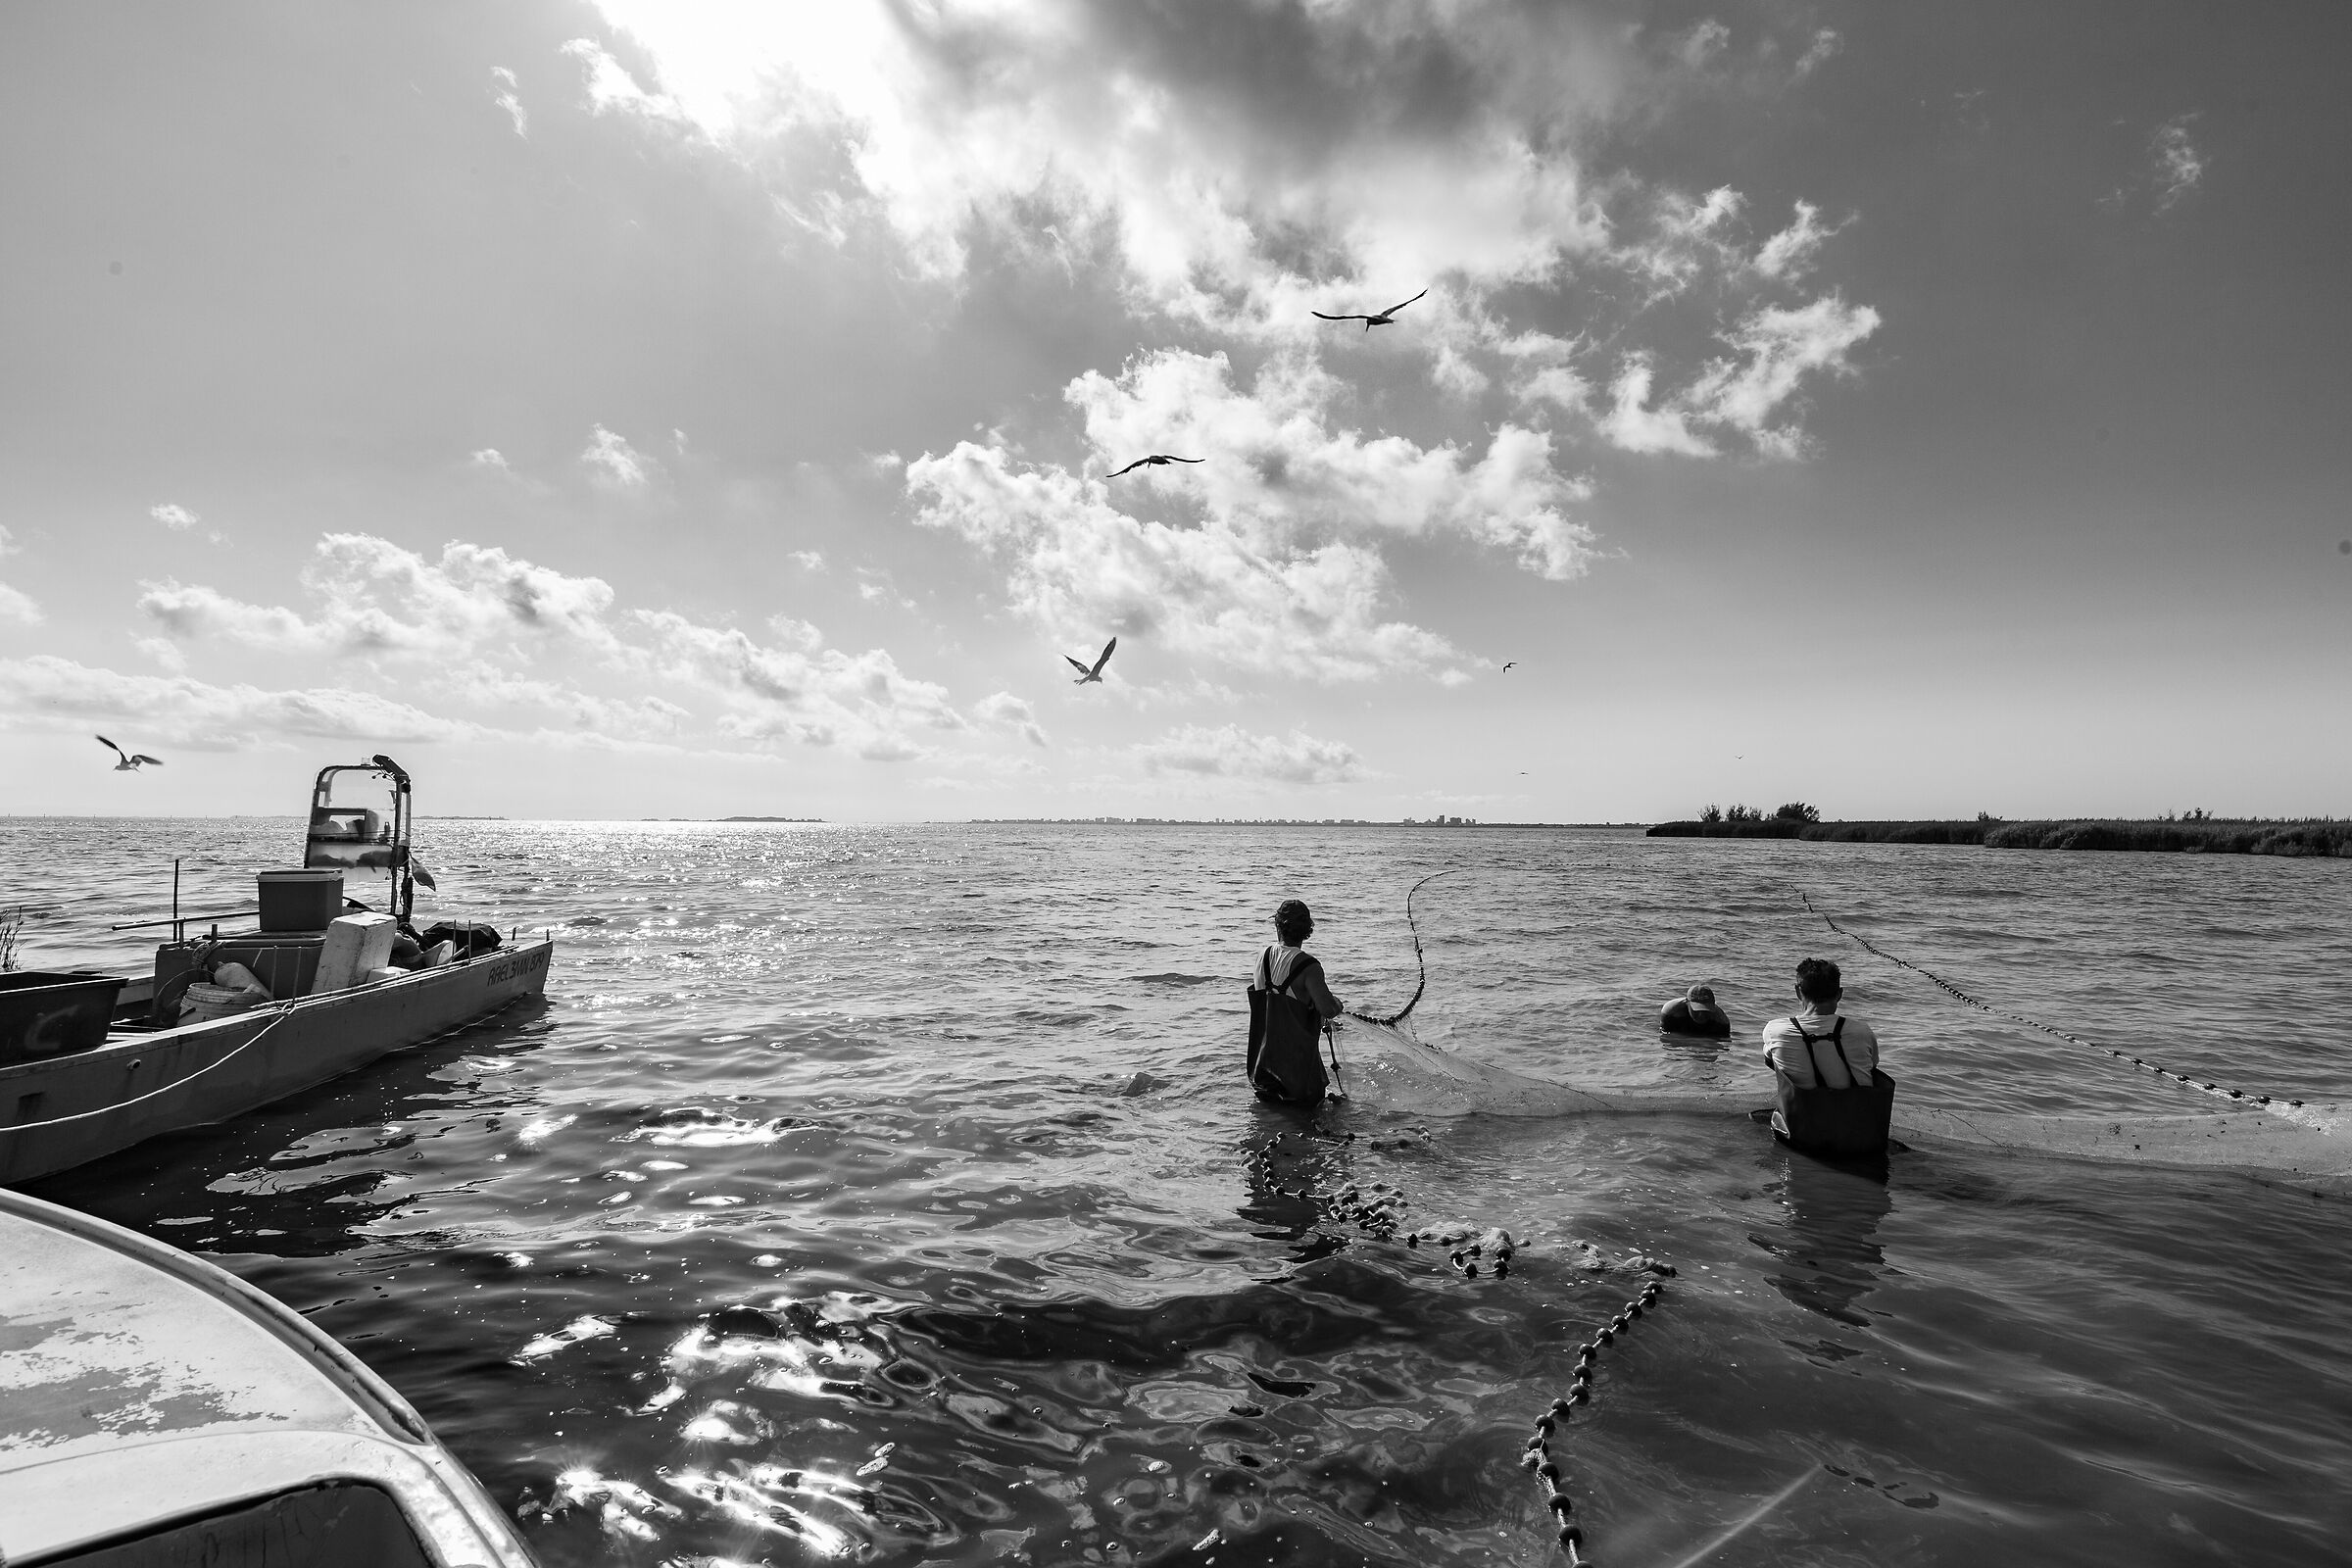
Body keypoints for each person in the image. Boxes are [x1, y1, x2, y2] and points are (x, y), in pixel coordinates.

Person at [1759, 957, 1891, 1155]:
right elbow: (1872, 1065)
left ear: (1797, 991)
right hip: (1862, 1136)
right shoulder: (1862, 1031)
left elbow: (1770, 1062)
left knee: (1778, 1062)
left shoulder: (1776, 1030)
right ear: (1839, 994)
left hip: (1804, 1136)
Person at [1246, 899, 1345, 1105]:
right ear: (1308, 930)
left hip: (1262, 1071)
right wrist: (1337, 1004)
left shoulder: (1261, 957)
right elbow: (1327, 1008)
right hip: (1298, 1077)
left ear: (1277, 926)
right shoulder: (1309, 966)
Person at [1659, 984, 1731, 1038]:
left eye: (1706, 1010)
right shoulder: (1671, 1011)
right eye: (1697, 1010)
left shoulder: (1722, 1021)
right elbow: (1666, 1037)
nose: (1701, 1015)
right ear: (1687, 1003)